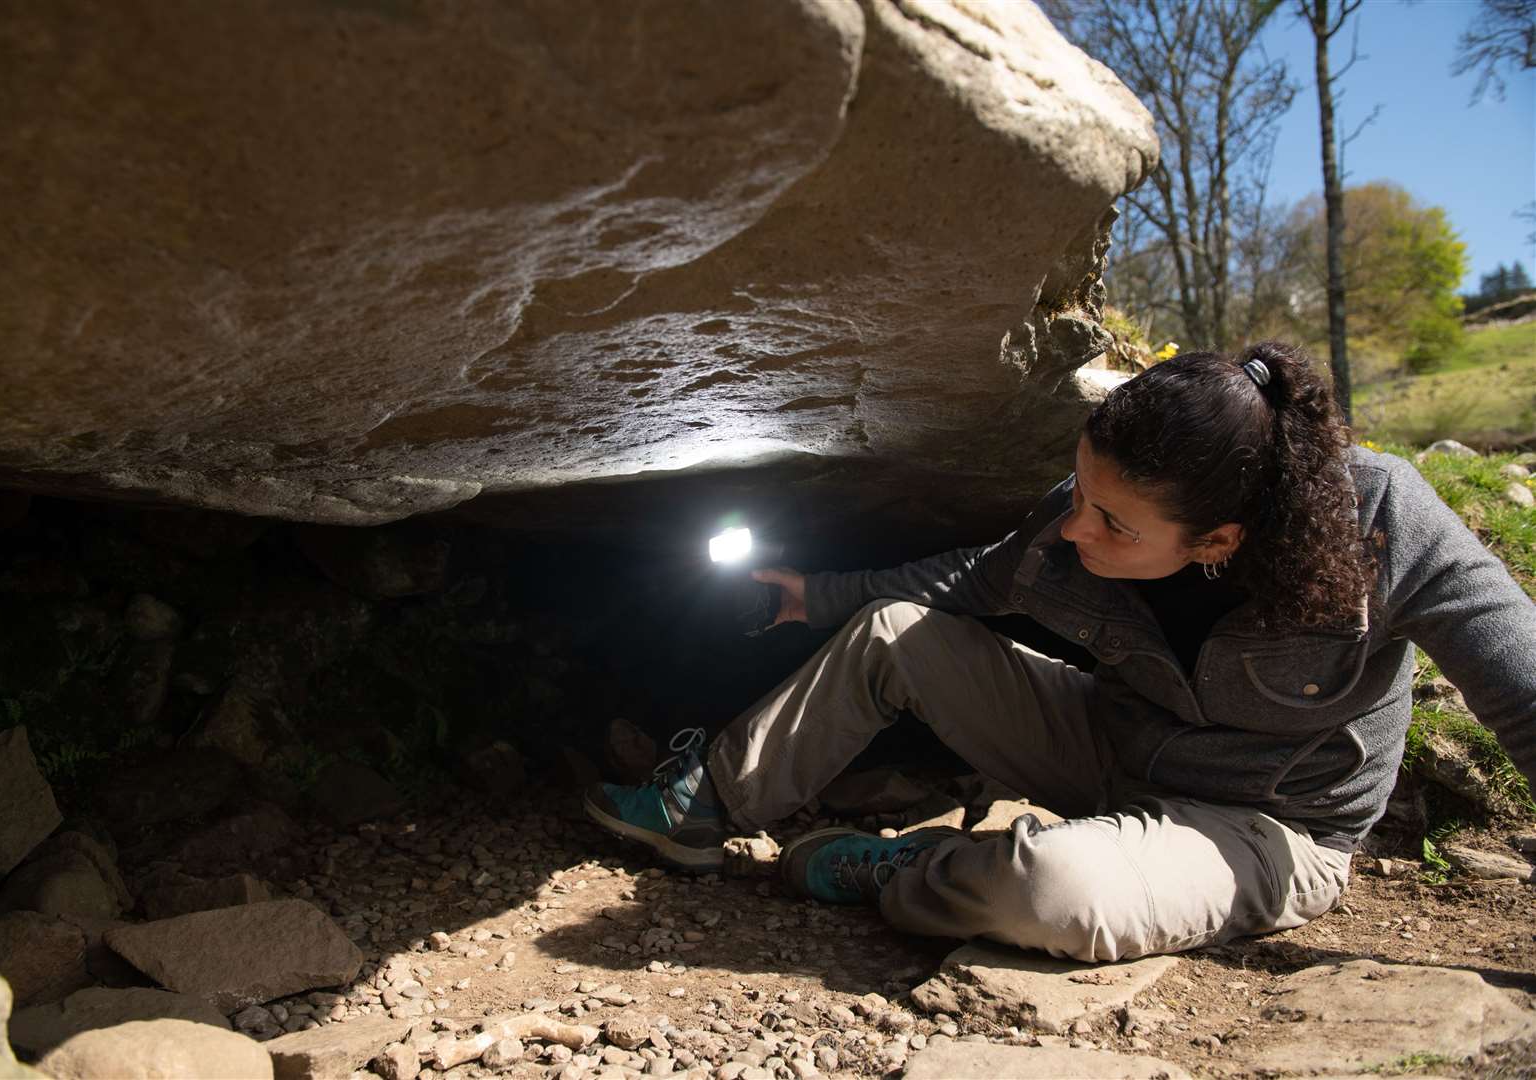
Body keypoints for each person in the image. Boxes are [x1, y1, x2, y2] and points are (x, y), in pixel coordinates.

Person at [584, 342, 1536, 963]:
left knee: (1054, 889)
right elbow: (968, 581)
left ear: (1221, 538)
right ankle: (703, 801)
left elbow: (1522, 688)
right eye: (1077, 490)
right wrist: (813, 594)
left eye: (1112, 521)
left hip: (1270, 827)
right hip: (1110, 746)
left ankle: (908, 870)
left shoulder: (1382, 522)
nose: (1073, 527)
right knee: (894, 637)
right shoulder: (1075, 524)